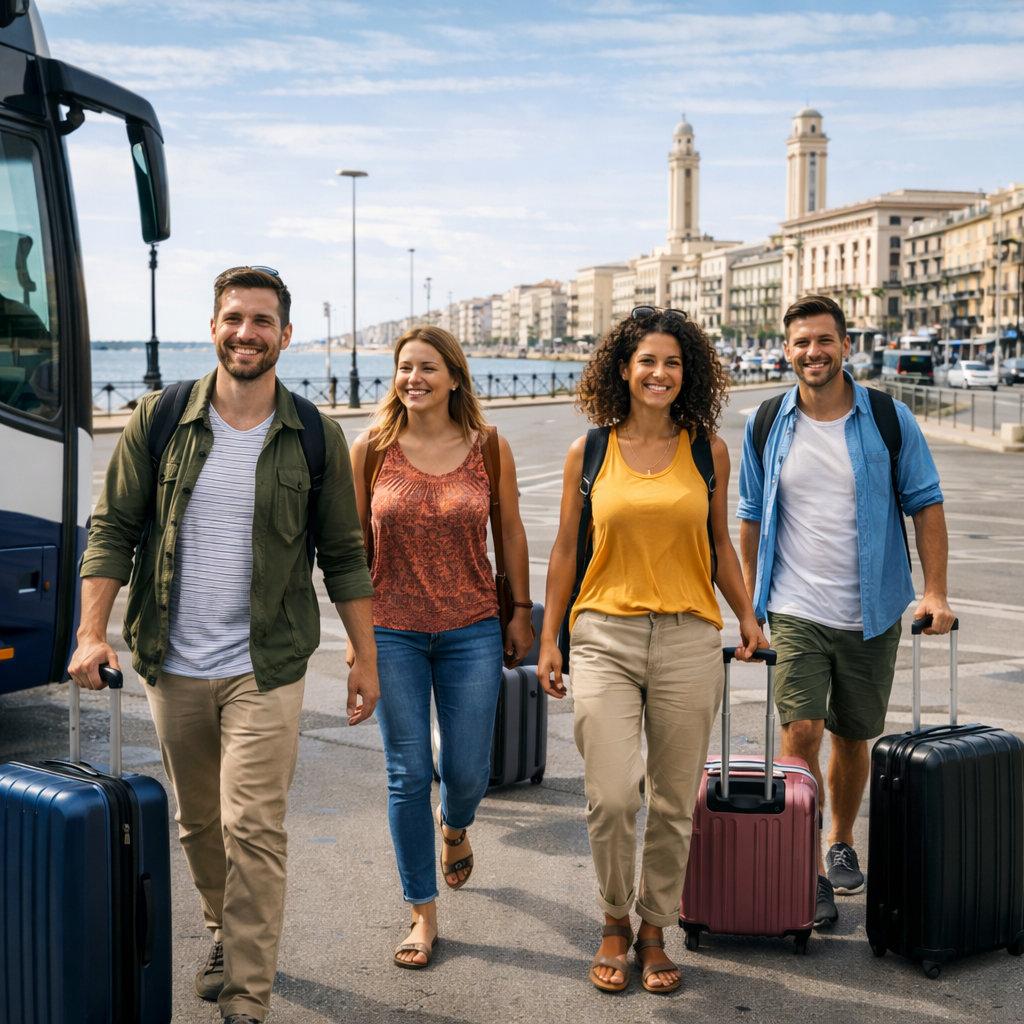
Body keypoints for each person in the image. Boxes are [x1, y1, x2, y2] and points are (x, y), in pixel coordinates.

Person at [70, 267, 378, 1024]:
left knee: (254, 826)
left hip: (264, 666)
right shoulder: (161, 417)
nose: (247, 333)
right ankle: (222, 931)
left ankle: (246, 999)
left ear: (285, 335)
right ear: (213, 327)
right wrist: (88, 633)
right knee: (199, 824)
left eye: (262, 321)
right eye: (234, 318)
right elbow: (111, 528)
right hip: (171, 659)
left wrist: (363, 655)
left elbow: (343, 552)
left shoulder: (314, 436)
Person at [536, 308, 768, 995]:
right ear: (623, 369)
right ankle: (614, 915)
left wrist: (746, 617)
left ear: (686, 372)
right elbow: (564, 550)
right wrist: (550, 638)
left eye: (672, 362)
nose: (660, 373)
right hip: (603, 634)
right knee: (611, 795)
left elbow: (720, 544)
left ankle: (654, 928)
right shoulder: (592, 450)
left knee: (672, 801)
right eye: (647, 362)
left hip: (690, 637)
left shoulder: (707, 450)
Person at [738, 295, 955, 930]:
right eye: (802, 342)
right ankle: (802, 865)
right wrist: (752, 605)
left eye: (825, 340)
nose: (813, 352)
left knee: (854, 735)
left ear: (845, 346)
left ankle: (840, 839)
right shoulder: (766, 422)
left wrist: (934, 591)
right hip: (796, 605)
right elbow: (751, 514)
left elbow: (927, 503)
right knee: (801, 731)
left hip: (874, 606)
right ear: (787, 349)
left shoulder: (889, 418)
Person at [349, 326, 534, 970]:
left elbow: (510, 531)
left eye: (428, 367)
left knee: (466, 771)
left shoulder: (489, 448)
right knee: (406, 774)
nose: (414, 378)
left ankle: (454, 826)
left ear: (455, 376)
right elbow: (350, 554)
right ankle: (421, 913)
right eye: (404, 367)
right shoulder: (371, 450)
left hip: (472, 627)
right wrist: (356, 645)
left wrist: (520, 614)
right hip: (391, 630)